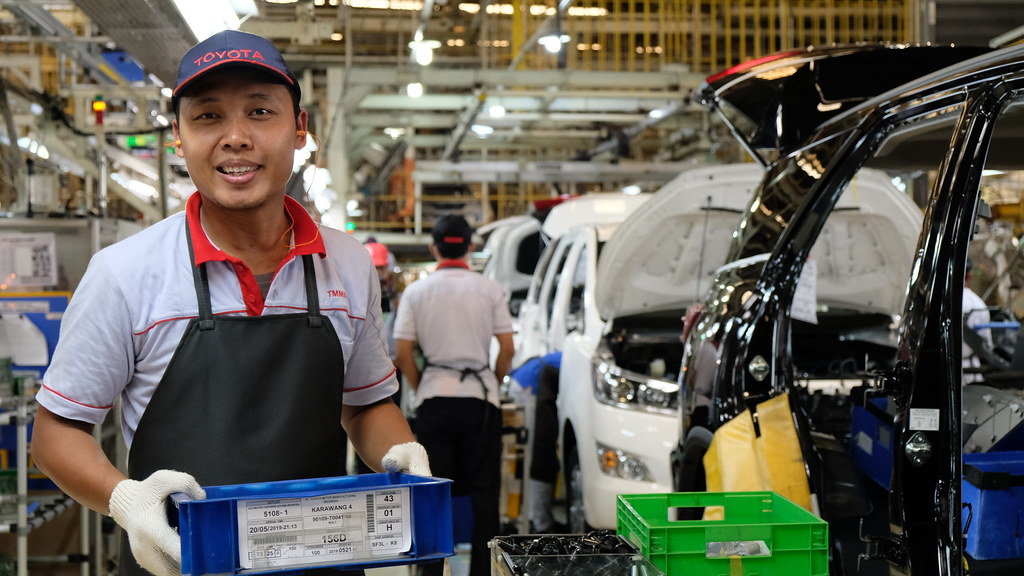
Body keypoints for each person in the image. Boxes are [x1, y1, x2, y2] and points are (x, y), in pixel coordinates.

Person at [30, 30, 429, 576]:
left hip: (318, 561)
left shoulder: (347, 264)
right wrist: (125, 500)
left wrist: (402, 454)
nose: (236, 138)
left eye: (260, 112)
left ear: (299, 129)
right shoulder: (125, 273)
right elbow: (55, 433)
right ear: (178, 136)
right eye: (208, 117)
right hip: (177, 563)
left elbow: (362, 405)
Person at [393, 215, 514, 576]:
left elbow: (403, 353)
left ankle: (432, 571)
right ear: (470, 247)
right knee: (485, 496)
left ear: (434, 247)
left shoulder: (417, 292)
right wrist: (492, 383)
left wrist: (422, 386)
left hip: (435, 400)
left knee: (433, 494)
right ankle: (482, 572)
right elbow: (507, 348)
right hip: (481, 402)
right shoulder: (489, 288)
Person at [505, 351, 564, 533]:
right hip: (528, 389)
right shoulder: (580, 360)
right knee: (538, 456)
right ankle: (538, 522)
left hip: (523, 383)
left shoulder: (564, 355)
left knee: (536, 456)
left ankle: (536, 519)